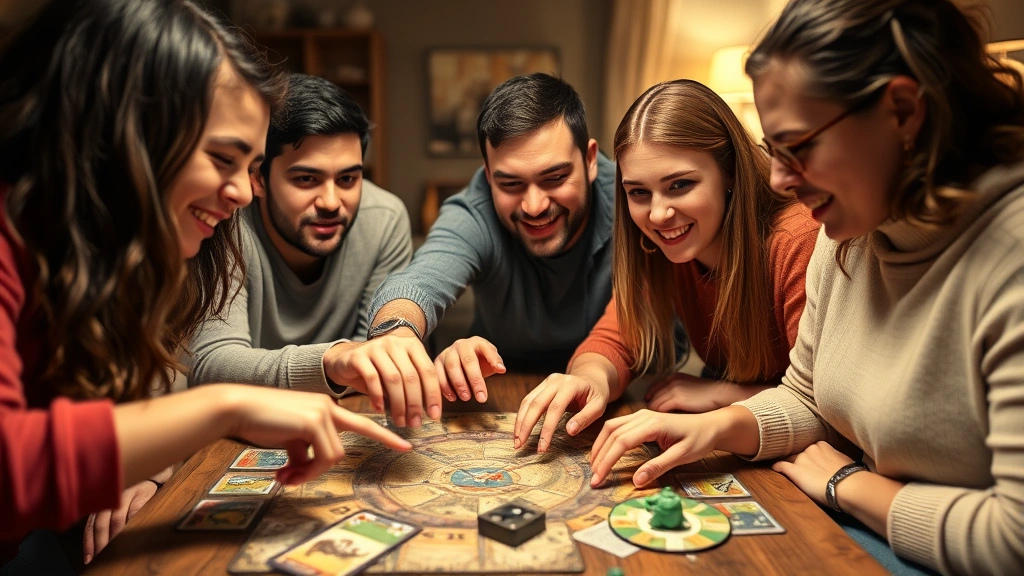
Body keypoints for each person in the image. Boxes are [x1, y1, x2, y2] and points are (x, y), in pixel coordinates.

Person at [588, 0, 1024, 573]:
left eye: (799, 146)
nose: (777, 178)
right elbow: (806, 397)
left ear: (902, 112)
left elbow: (1012, 538)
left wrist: (849, 485)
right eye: (774, 148)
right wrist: (709, 428)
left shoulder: (1008, 256)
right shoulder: (845, 233)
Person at [0, 0, 409, 571]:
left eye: (250, 166)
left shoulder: (125, 249)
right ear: (127, 134)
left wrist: (149, 459)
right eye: (223, 158)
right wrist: (225, 408)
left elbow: (123, 393)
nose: (243, 192)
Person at [513, 80, 818, 451]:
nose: (658, 214)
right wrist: (588, 378)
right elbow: (617, 337)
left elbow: (826, 404)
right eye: (639, 192)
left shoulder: (798, 240)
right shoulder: (662, 245)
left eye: (680, 185)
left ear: (730, 172)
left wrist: (723, 393)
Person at [322, 73, 619, 428]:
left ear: (589, 160)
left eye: (554, 178)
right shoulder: (474, 210)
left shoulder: (633, 200)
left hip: (621, 392)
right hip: (499, 393)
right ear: (489, 175)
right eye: (510, 183)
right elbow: (421, 279)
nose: (535, 205)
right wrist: (397, 332)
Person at [188, 73, 412, 395]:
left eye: (348, 179)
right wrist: (331, 362)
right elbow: (212, 365)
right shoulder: (224, 220)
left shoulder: (385, 221)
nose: (332, 203)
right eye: (306, 179)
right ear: (258, 178)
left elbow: (382, 362)